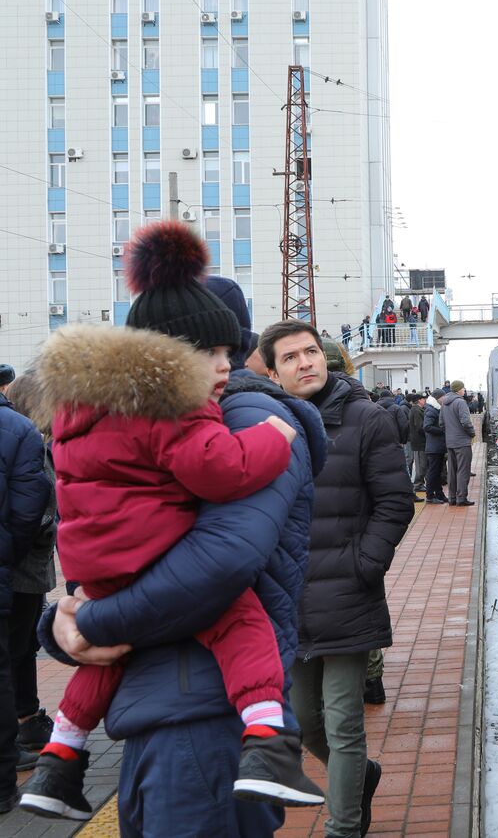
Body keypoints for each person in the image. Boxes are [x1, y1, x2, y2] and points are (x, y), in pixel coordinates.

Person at [22, 224, 324, 820]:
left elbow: (220, 563)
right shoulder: (170, 416)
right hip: (163, 713)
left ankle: (65, 758)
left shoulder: (245, 415)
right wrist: (58, 624)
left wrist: (89, 619)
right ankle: (61, 766)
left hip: (205, 718)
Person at [261, 320, 414, 838]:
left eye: (310, 352)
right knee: (304, 720)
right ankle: (361, 778)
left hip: (348, 593)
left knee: (345, 723)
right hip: (291, 600)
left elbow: (395, 501)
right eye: (291, 357)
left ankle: (344, 827)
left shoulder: (366, 419)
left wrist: (364, 564)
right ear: (274, 371)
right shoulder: (267, 423)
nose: (305, 362)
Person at [0, 362, 49, 814]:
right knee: (15, 652)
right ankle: (24, 726)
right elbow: (31, 506)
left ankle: (26, 722)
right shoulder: (23, 433)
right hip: (18, 566)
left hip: (17, 563)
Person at [441, 381, 476, 508]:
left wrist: (450, 434)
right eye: (463, 388)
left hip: (450, 442)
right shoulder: (461, 402)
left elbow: (441, 423)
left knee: (452, 470)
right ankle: (461, 498)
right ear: (458, 390)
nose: (464, 390)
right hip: (462, 442)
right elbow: (466, 422)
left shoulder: (444, 403)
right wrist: (472, 433)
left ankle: (452, 497)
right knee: (463, 470)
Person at [422, 390, 447, 505]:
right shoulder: (432, 410)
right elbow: (427, 426)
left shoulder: (435, 408)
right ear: (438, 398)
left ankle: (439, 494)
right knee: (433, 472)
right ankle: (430, 496)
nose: (444, 399)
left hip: (437, 446)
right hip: (434, 447)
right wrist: (442, 431)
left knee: (437, 472)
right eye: (443, 397)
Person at [407, 395, 427, 494]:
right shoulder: (416, 410)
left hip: (420, 441)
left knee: (422, 463)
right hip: (419, 442)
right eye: (424, 399)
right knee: (420, 464)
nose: (425, 400)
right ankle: (418, 484)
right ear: (419, 400)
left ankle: (420, 483)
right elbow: (419, 427)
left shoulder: (417, 410)